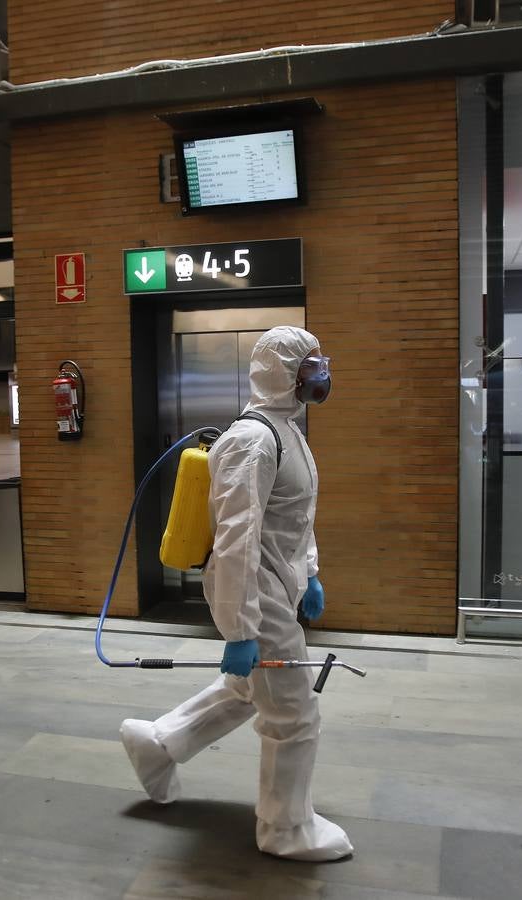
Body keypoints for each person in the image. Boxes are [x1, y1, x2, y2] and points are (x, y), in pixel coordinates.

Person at [119, 325, 352, 861]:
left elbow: (294, 517)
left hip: (277, 584)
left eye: (322, 362)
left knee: (248, 691)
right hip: (258, 592)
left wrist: (310, 573)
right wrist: (240, 628)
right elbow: (235, 543)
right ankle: (285, 828)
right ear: (283, 373)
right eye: (311, 365)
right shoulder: (251, 441)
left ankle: (158, 743)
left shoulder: (287, 431)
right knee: (294, 715)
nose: (322, 375)